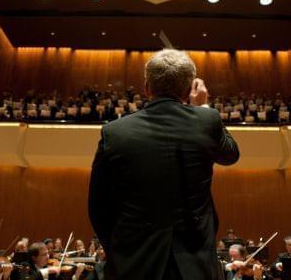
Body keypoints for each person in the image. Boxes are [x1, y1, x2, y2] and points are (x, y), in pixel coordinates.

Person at [88, 49, 240, 280]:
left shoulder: (115, 132)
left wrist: (120, 248)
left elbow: (98, 205)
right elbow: (231, 155)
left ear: (147, 87)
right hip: (195, 264)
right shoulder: (206, 120)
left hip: (133, 264)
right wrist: (203, 108)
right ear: (189, 89)